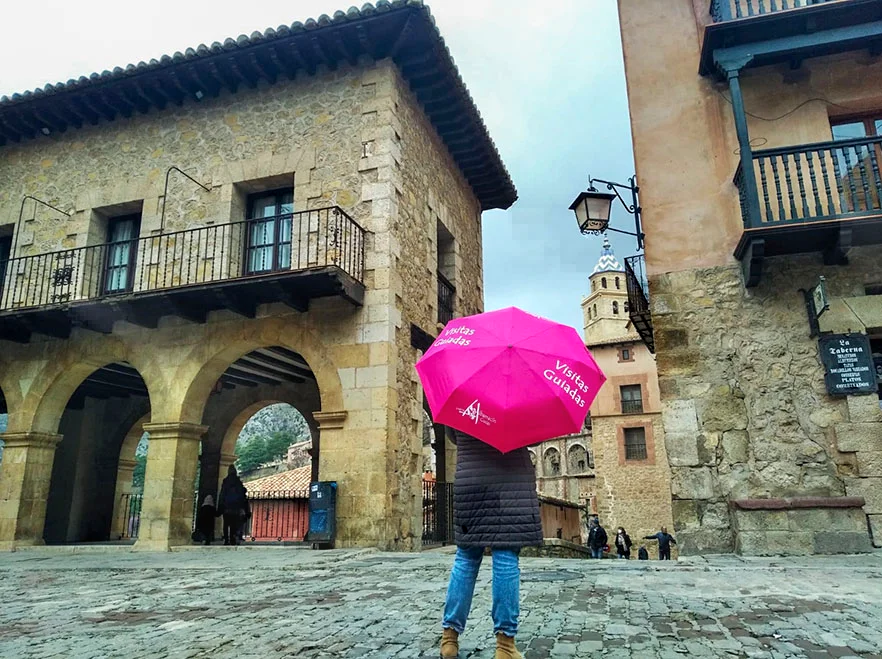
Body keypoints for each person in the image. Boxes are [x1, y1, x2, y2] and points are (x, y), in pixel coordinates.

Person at [440, 430, 542, 659]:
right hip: (509, 486)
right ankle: (505, 646)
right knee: (505, 558)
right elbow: (535, 437)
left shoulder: (461, 394)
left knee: (465, 559)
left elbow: (453, 436)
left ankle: (449, 639)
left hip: (471, 484)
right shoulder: (519, 395)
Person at [217, 465, 250, 546]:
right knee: (234, 523)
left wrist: (220, 505)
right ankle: (233, 538)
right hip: (236, 507)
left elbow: (222, 494)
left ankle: (226, 539)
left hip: (227, 507)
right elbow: (242, 493)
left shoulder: (226, 481)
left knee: (226, 524)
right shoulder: (238, 481)